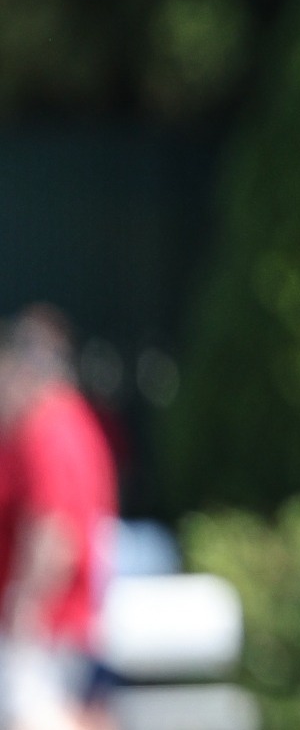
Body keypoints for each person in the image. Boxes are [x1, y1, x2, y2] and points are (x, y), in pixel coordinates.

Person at [0, 307, 117, 730]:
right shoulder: (75, 423)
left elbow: (55, 534)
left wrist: (24, 608)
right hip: (69, 618)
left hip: (49, 624)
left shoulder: (47, 429)